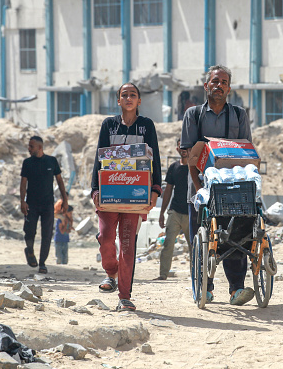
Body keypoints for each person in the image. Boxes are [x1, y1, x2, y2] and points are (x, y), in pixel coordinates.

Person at [180, 64, 254, 306]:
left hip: (232, 188)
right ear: (206, 86)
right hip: (200, 188)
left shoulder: (239, 115)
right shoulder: (193, 115)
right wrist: (199, 188)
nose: (218, 85)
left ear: (229, 88)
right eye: (214, 81)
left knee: (237, 237)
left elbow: (246, 152)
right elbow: (190, 156)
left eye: (223, 82)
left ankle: (236, 290)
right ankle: (205, 288)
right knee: (201, 241)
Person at [91, 82, 162, 312]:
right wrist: (95, 189)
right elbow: (99, 160)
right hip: (109, 194)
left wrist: (155, 190)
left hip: (136, 196)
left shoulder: (147, 126)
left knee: (128, 245)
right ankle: (110, 272)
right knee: (106, 236)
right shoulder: (108, 125)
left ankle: (124, 296)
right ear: (118, 101)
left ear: (139, 101)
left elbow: (156, 160)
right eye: (124, 95)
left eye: (133, 95)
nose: (129, 98)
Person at [20, 136, 68, 274]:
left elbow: (60, 181)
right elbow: (23, 184)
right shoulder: (27, 163)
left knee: (46, 234)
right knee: (29, 232)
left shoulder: (51, 161)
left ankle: (42, 263)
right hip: (31, 204)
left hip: (47, 204)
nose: (29, 149)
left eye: (31, 146)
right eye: (29, 146)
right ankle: (29, 251)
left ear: (39, 147)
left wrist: (65, 200)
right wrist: (22, 201)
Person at [155, 139, 190, 280]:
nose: (183, 149)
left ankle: (197, 276)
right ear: (177, 149)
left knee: (194, 246)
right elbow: (168, 191)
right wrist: (162, 213)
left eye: (186, 146)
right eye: (181, 146)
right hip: (175, 211)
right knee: (168, 243)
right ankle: (163, 275)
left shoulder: (196, 168)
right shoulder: (174, 167)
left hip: (191, 212)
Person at [54, 200, 73, 265]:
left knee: (65, 259)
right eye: (70, 213)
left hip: (65, 240)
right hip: (59, 240)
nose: (70, 215)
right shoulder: (60, 220)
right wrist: (66, 225)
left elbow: (67, 230)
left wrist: (69, 228)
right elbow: (62, 231)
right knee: (59, 258)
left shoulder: (68, 220)